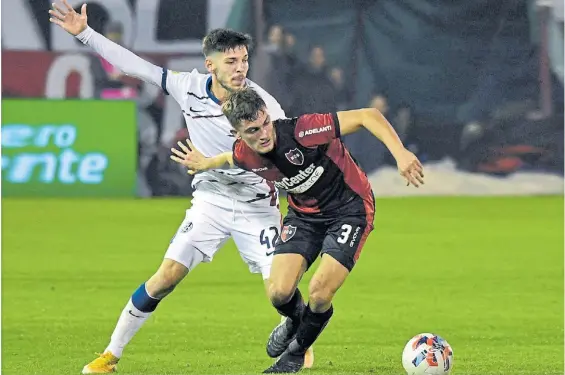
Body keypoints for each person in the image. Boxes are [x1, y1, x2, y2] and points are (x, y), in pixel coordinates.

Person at [48, 1, 314, 373]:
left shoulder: (263, 104)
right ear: (211, 65)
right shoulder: (186, 87)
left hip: (257, 204)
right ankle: (110, 356)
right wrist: (86, 35)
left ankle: (298, 334)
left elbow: (287, 154)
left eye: (244, 60)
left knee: (280, 292)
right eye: (231, 61)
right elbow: (132, 65)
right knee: (166, 276)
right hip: (210, 201)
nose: (240, 69)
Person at [170, 87, 424, 373]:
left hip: (350, 210)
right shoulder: (245, 153)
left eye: (266, 123)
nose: (264, 133)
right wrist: (206, 163)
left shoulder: (303, 130)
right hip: (304, 217)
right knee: (278, 293)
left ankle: (296, 353)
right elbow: (231, 158)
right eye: (253, 130)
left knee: (319, 293)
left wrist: (401, 154)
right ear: (238, 133)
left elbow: (368, 115)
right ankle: (296, 320)